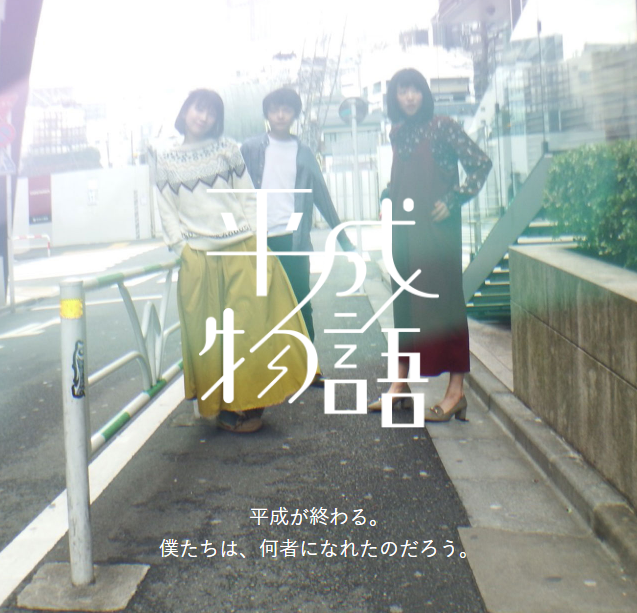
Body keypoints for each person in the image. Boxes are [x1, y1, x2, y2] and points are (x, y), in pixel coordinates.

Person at [153, 89, 313, 433]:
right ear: (185, 111)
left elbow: (248, 197)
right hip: (199, 256)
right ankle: (224, 407)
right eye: (198, 109)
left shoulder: (227, 149)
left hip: (241, 246)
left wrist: (257, 241)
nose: (204, 117)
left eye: (211, 112)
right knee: (210, 338)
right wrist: (181, 249)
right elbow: (166, 208)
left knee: (249, 329)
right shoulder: (165, 158)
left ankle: (251, 403)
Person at [368, 68, 492, 422]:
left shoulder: (443, 126)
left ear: (424, 94)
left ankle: (456, 392)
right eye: (402, 91)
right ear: (394, 98)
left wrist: (454, 199)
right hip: (404, 231)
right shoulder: (398, 132)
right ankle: (400, 384)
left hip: (438, 233)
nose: (409, 97)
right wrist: (387, 196)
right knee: (405, 306)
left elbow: (480, 164)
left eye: (415, 90)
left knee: (445, 307)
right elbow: (400, 178)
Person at [241, 88, 355, 386]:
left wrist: (344, 240)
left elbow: (322, 196)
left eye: (287, 109)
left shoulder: (303, 152)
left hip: (293, 239)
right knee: (259, 306)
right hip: (257, 241)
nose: (280, 115)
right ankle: (266, 368)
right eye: (275, 109)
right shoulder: (250, 149)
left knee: (301, 303)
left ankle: (308, 366)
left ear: (294, 114)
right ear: (267, 113)